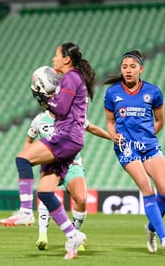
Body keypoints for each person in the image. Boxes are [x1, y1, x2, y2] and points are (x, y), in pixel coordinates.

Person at [0, 42, 96, 260]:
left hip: (66, 137)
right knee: (44, 192)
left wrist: (43, 98)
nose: (53, 59)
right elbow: (61, 107)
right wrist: (46, 100)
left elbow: (60, 109)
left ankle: (25, 211)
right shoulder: (69, 79)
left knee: (22, 159)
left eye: (56, 55)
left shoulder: (71, 77)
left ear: (67, 59)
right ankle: (73, 235)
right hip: (68, 138)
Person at [103, 50, 165, 255]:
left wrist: (147, 136)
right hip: (126, 148)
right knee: (147, 188)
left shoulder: (153, 92)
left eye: (132, 67)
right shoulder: (112, 93)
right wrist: (113, 135)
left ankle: (151, 229)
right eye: (125, 66)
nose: (128, 70)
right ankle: (164, 238)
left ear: (141, 69)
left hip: (149, 146)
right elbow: (110, 122)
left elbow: (160, 120)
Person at [24, 104, 111, 252]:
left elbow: (92, 128)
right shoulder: (39, 120)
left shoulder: (75, 116)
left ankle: (74, 236)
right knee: (46, 195)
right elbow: (28, 141)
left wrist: (112, 137)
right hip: (51, 166)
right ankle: (42, 236)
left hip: (73, 165)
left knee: (81, 199)